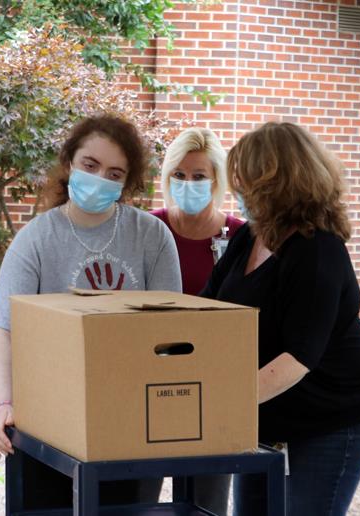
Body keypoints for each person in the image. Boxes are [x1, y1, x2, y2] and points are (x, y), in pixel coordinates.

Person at [0, 114, 182, 508]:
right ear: (69, 163)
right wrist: (3, 404)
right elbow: (3, 331)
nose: (98, 179)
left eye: (114, 173)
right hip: (49, 422)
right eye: (90, 166)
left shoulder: (151, 236)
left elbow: (171, 329)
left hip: (131, 422)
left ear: (126, 183)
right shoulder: (36, 239)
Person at [201, 122, 360, 516]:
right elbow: (207, 310)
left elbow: (297, 358)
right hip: (269, 415)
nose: (239, 193)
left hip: (333, 416)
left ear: (277, 183)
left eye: (247, 183)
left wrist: (218, 402)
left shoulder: (317, 250)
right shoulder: (248, 237)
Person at [150, 127, 244, 513]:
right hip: (151, 377)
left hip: (214, 382)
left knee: (207, 502)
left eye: (199, 176)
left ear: (217, 180)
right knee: (138, 493)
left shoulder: (240, 237)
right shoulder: (149, 229)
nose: (188, 184)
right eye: (180, 175)